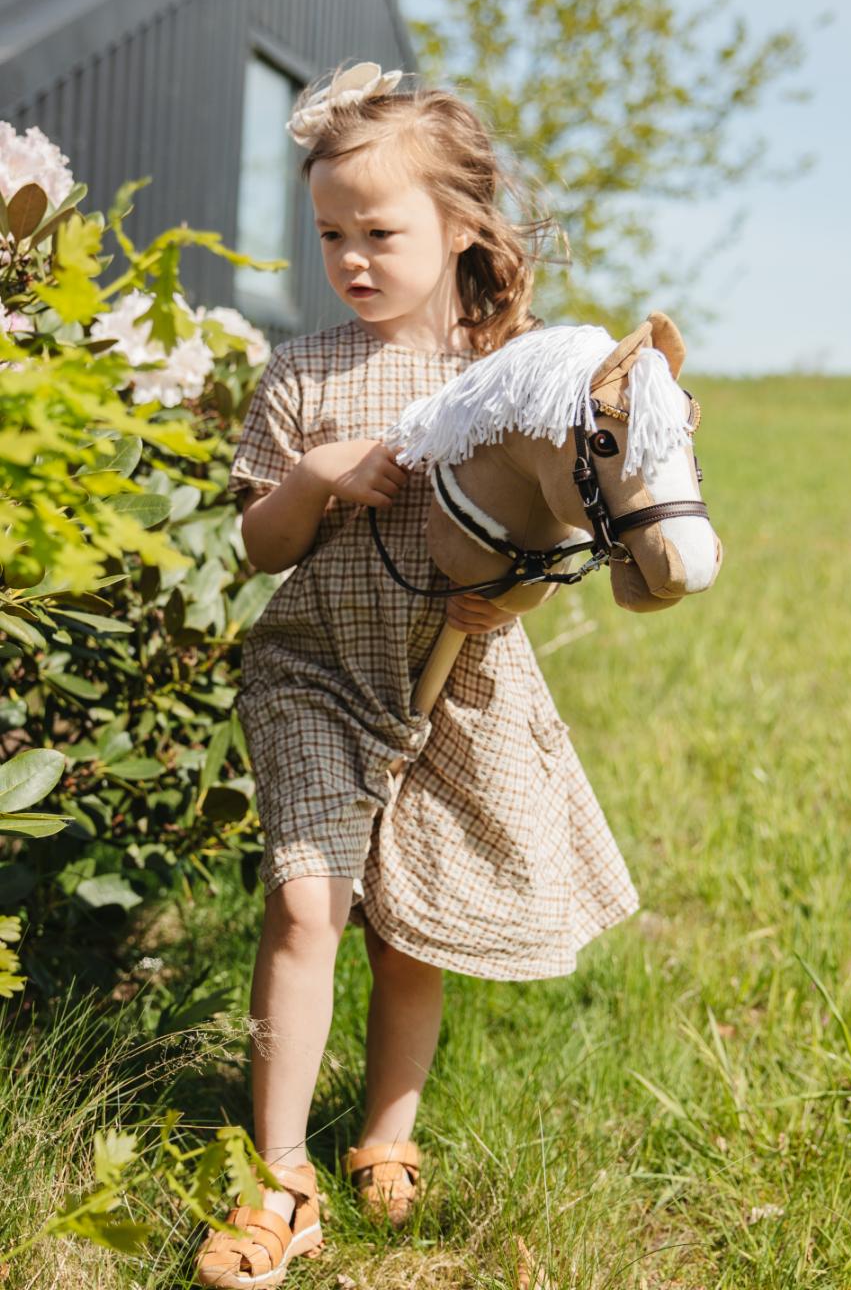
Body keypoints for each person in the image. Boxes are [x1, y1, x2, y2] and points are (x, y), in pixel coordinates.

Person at [195, 62, 639, 1289]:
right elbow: (259, 546)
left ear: (460, 230)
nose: (350, 257)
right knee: (306, 906)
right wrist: (315, 478)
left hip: (460, 686)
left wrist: (522, 595)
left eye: (379, 233)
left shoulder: (513, 372)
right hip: (319, 675)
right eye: (329, 234)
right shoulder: (304, 375)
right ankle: (279, 1175)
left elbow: (559, 530)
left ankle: (386, 1135)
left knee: (410, 931)